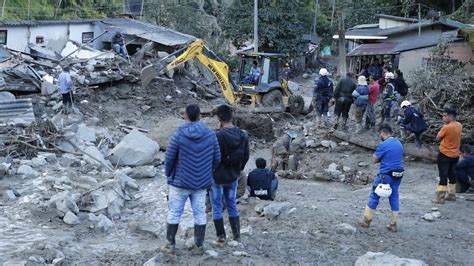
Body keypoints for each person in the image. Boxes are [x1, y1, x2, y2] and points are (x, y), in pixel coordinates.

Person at [163, 104, 221, 255]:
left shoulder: (179, 134)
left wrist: (168, 174)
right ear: (200, 116)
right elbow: (217, 158)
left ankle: (170, 246)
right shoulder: (210, 134)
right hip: (201, 184)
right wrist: (207, 173)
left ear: (185, 116)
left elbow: (169, 158)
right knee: (200, 214)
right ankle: (199, 246)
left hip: (180, 183)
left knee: (175, 213)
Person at [211, 105, 249, 244]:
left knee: (217, 207)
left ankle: (221, 237)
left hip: (217, 177)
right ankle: (237, 236)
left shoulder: (217, 136)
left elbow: (213, 157)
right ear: (231, 116)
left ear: (219, 118)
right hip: (233, 175)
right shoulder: (242, 134)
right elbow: (246, 155)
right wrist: (238, 169)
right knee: (232, 204)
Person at [358, 124, 404, 232]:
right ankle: (393, 223)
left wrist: (381, 158)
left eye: (380, 134)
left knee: (374, 195)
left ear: (382, 133)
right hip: (398, 175)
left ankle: (366, 220)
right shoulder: (399, 143)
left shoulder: (384, 144)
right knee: (394, 196)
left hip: (386, 174)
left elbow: (374, 160)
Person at [433, 109, 462, 204]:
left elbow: (438, 137)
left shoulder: (447, 127)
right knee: (452, 174)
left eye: (445, 116)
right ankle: (451, 195)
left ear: (450, 116)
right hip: (455, 155)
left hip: (445, 154)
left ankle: (440, 198)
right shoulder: (459, 125)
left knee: (443, 175)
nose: (443, 117)